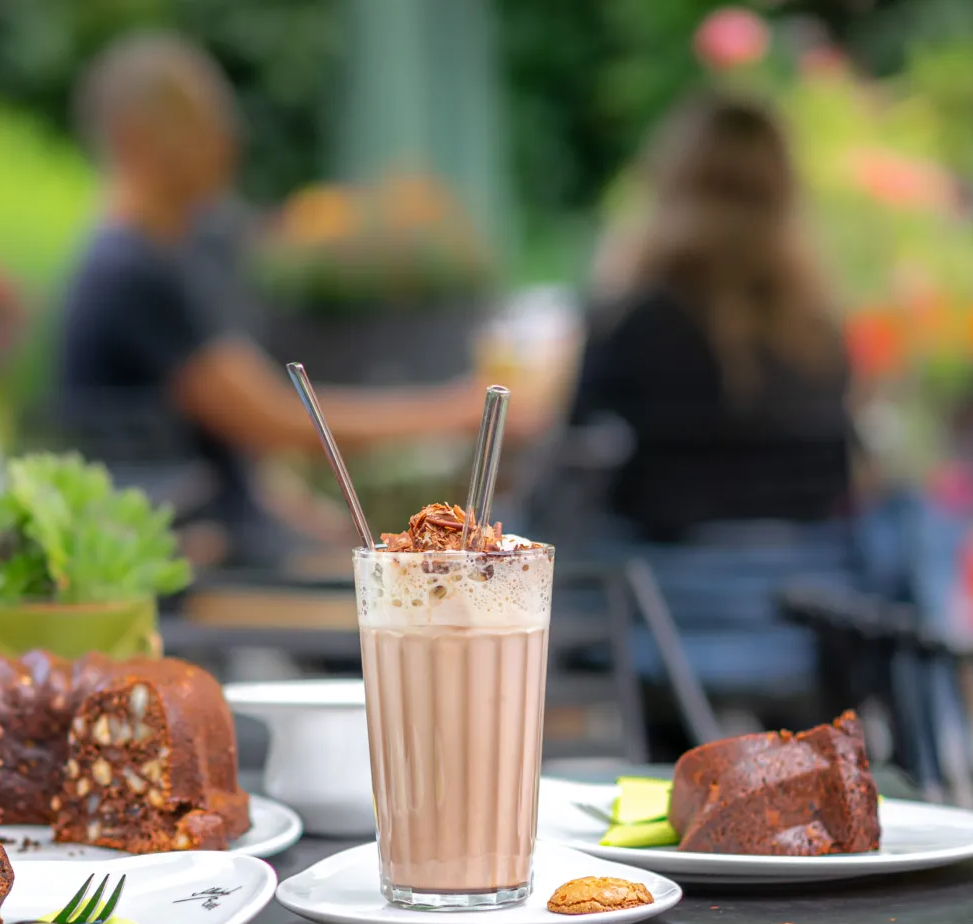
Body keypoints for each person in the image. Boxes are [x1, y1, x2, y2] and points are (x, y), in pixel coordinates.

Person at [56, 32, 550, 557]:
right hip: (198, 567)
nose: (228, 143)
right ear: (136, 138)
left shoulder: (154, 258)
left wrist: (321, 533)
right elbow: (274, 419)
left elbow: (228, 449)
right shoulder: (134, 274)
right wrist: (456, 408)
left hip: (220, 544)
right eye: (201, 125)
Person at [571, 93, 854, 543]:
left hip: (657, 590)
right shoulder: (819, 332)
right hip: (805, 588)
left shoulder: (627, 324)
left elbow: (578, 457)